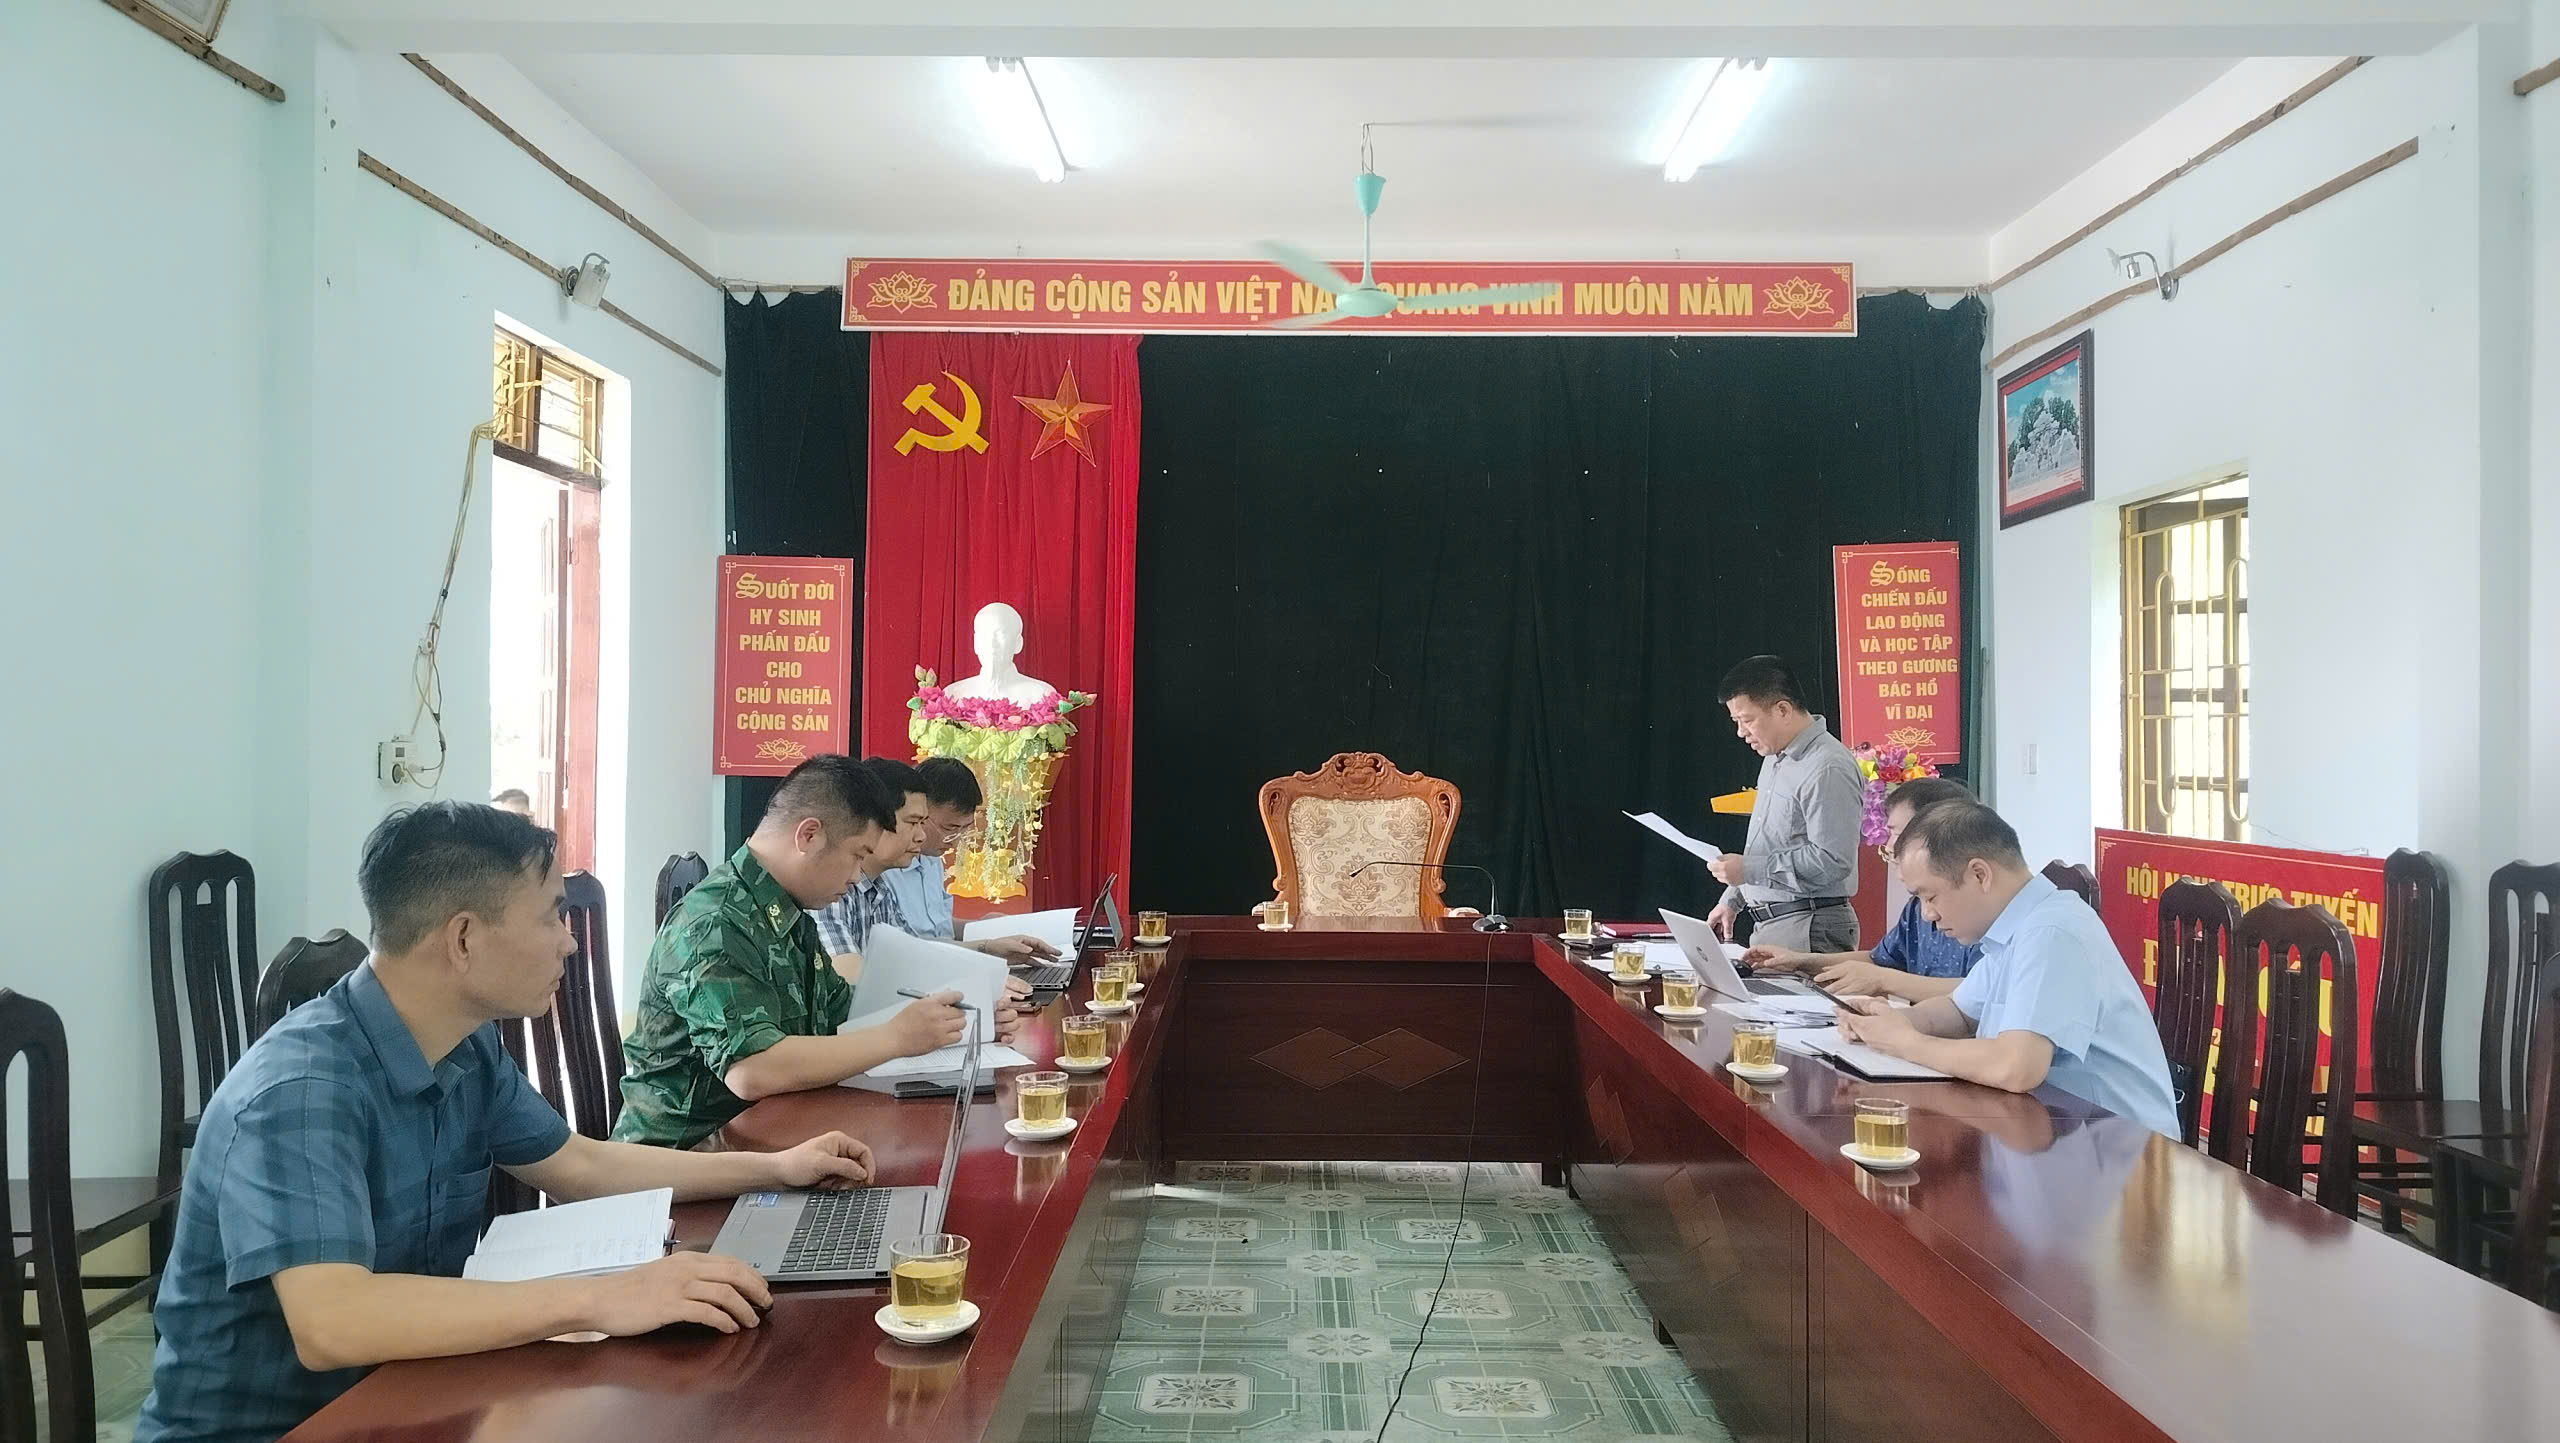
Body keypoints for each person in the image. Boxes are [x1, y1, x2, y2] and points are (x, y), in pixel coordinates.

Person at [133, 802, 876, 1443]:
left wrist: (775, 1168)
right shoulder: (300, 1090)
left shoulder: (465, 1044)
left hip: (411, 1394)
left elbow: (579, 1164)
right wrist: (601, 1296)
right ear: (463, 939)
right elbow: (334, 1321)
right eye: (551, 914)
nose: (570, 940)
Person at [612, 756, 966, 1150]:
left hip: (771, 1138)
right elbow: (752, 1069)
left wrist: (951, 1019)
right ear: (809, 836)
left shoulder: (787, 911)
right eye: (856, 855)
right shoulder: (716, 921)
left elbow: (843, 1010)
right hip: (687, 1158)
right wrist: (895, 1037)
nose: (855, 876)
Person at [1834, 801, 2181, 1139]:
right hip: (2054, 1132)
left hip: (2122, 1153)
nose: (1927, 914)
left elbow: (2017, 1067)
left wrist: (1906, 1043)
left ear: (1979, 875)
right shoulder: (2013, 930)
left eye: (1930, 896)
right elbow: (1959, 1011)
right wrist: (1891, 1023)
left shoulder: (2052, 931)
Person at [1744, 775, 1981, 1001]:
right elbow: (1880, 960)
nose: (1890, 846)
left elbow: (1981, 992)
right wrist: (1800, 961)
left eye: (1898, 833)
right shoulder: (1916, 907)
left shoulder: (1980, 913)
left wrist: (1884, 980)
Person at [1704, 656, 1864, 953]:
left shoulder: (1827, 766)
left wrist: (1748, 869)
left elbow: (1832, 860)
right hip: (1773, 925)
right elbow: (1770, 843)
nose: (1741, 732)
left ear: (1783, 710)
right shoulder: (1775, 758)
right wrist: (1733, 898)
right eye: (1736, 722)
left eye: (1747, 720)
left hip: (1809, 928)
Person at [869, 756, 1060, 965]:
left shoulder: (931, 860)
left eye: (964, 830)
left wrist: (981, 927)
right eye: (949, 829)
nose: (955, 841)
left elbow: (935, 929)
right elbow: (908, 949)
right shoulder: (883, 870)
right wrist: (985, 948)